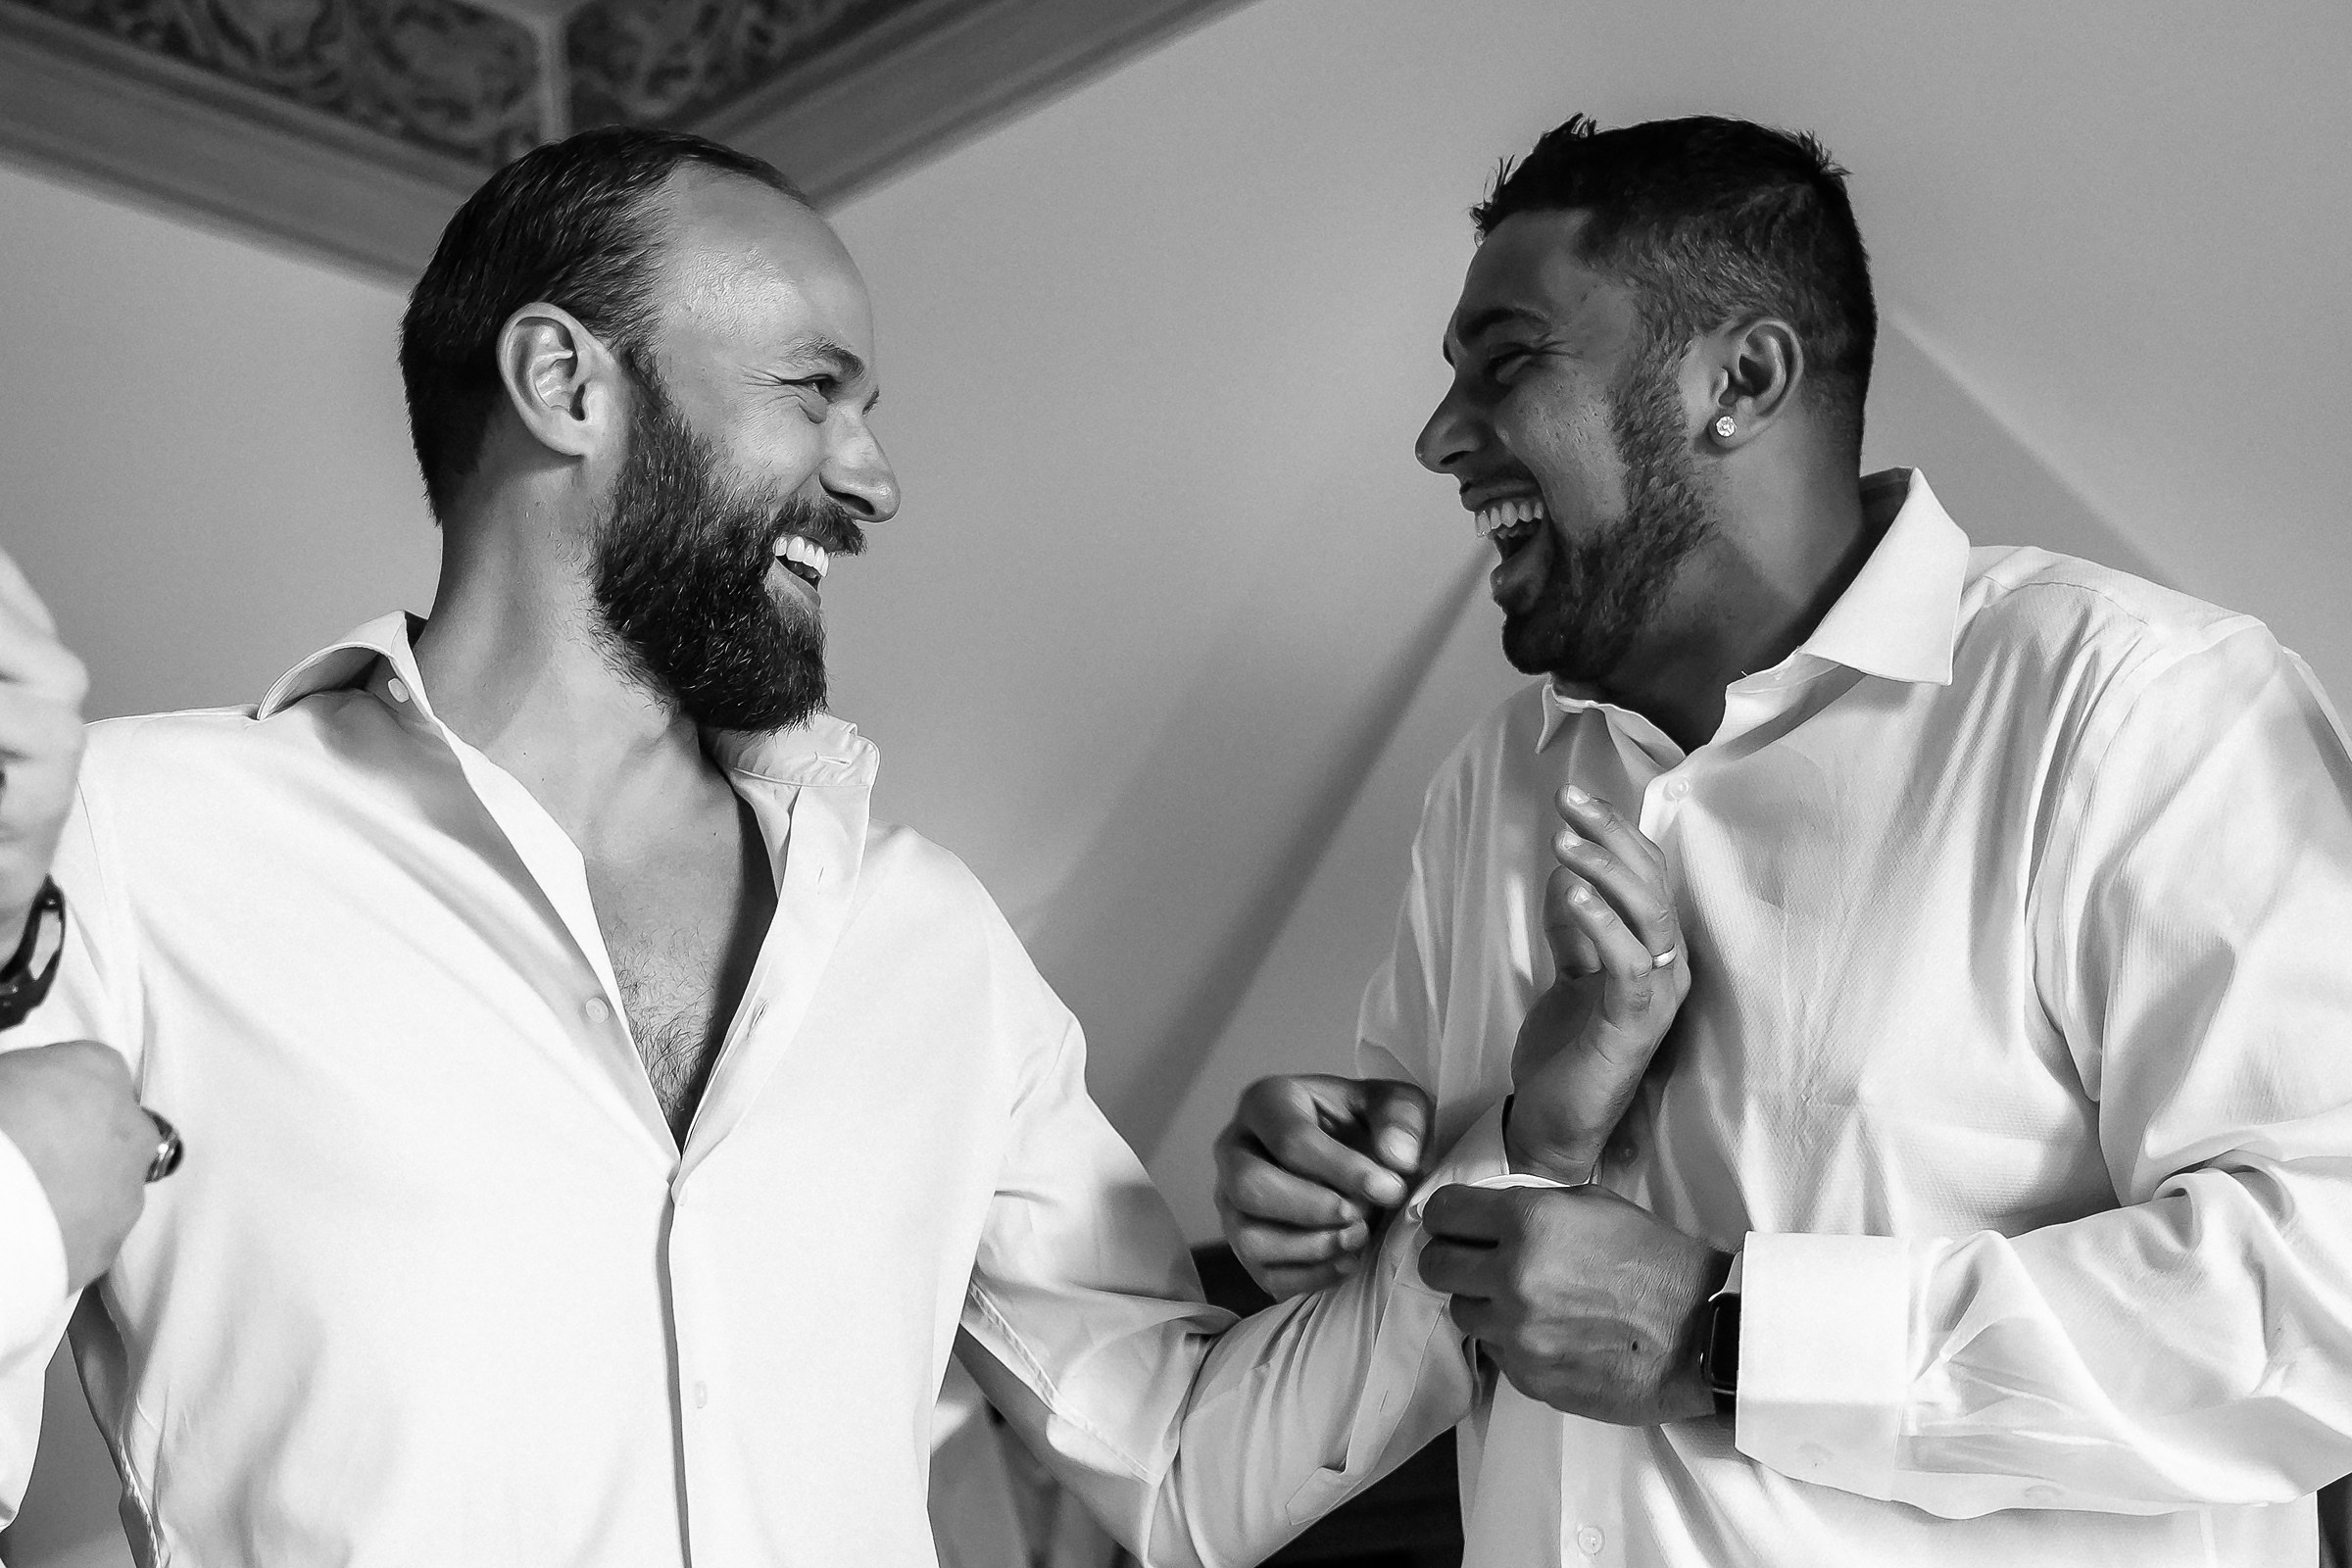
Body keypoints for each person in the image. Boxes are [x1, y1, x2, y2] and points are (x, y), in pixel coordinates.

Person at [0, 126, 1478, 1565]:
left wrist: (1516, 1173)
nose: (875, 479)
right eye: (814, 391)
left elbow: (1187, 1464)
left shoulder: (927, 937)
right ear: (564, 382)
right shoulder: (126, 839)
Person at [1215, 114, 2352, 1565]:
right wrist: (1333, 1204)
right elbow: (1430, 1299)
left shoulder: (2131, 711)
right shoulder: (1488, 791)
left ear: (1741, 381)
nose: (1438, 436)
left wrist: (1730, 1337)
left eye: (1506, 362)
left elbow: (2323, 1302)